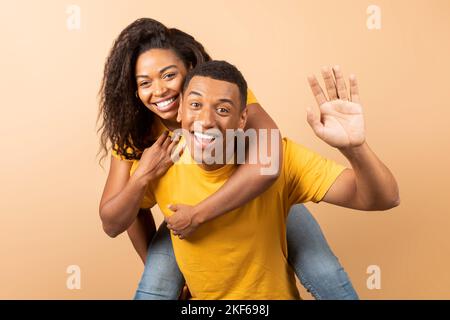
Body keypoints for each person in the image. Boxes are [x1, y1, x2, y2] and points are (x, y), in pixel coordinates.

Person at [98, 18, 358, 300]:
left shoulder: (223, 95)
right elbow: (117, 218)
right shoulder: (135, 132)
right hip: (184, 214)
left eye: (169, 76)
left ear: (191, 71)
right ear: (134, 90)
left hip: (256, 198)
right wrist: (168, 268)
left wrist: (199, 215)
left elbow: (268, 162)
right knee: (154, 287)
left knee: (327, 275)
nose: (159, 90)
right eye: (145, 82)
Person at [128, 60, 399, 299]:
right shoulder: (160, 164)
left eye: (222, 110)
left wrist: (354, 149)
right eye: (196, 105)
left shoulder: (284, 159)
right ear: (179, 112)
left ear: (242, 118)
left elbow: (384, 198)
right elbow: (118, 218)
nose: (206, 120)